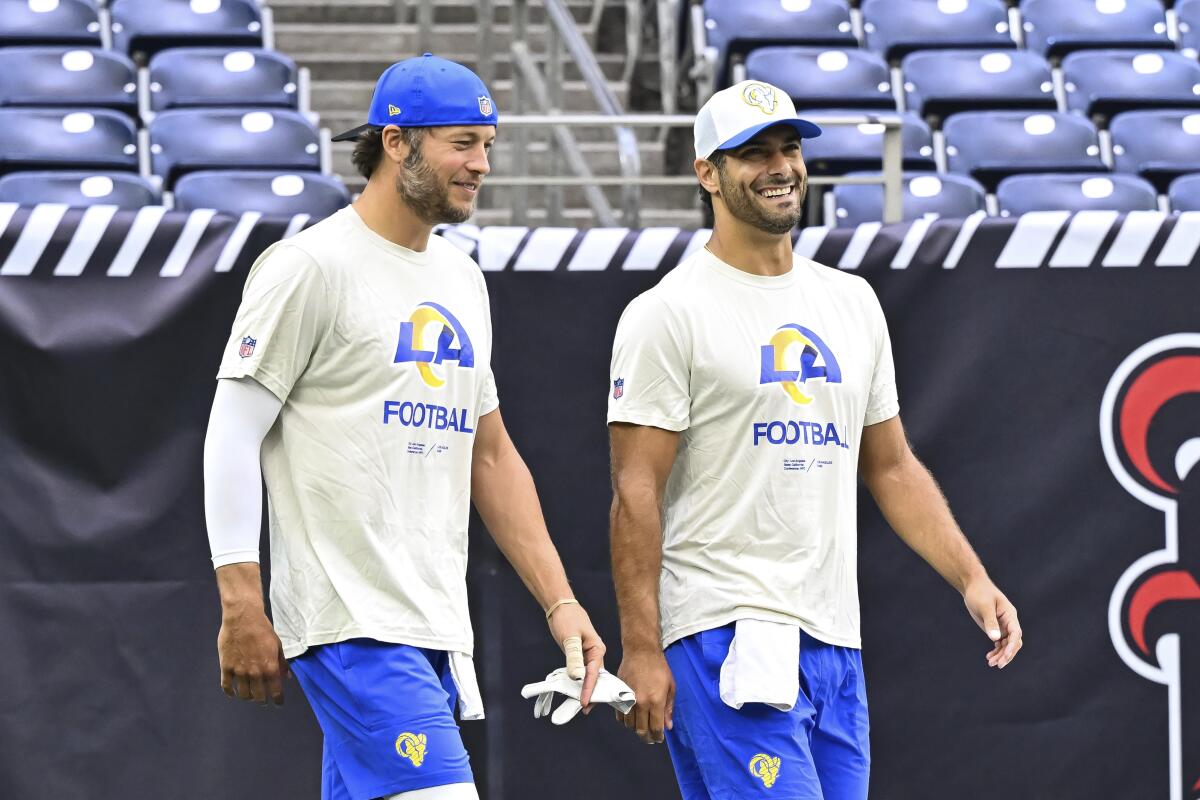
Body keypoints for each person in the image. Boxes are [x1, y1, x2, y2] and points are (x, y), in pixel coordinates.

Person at [606, 80, 1023, 799]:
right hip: (723, 632)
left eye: (789, 148)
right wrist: (642, 646)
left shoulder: (851, 301)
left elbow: (890, 466)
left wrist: (971, 577)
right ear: (706, 172)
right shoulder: (667, 312)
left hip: (835, 642)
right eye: (753, 153)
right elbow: (634, 490)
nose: (779, 166)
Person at [203, 54, 605, 800]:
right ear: (396, 143)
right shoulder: (309, 265)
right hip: (352, 622)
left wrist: (562, 602)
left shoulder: (462, 279)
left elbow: (489, 455)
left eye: (488, 144)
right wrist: (240, 599)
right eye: (463, 142)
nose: (482, 164)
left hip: (433, 628)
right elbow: (232, 430)